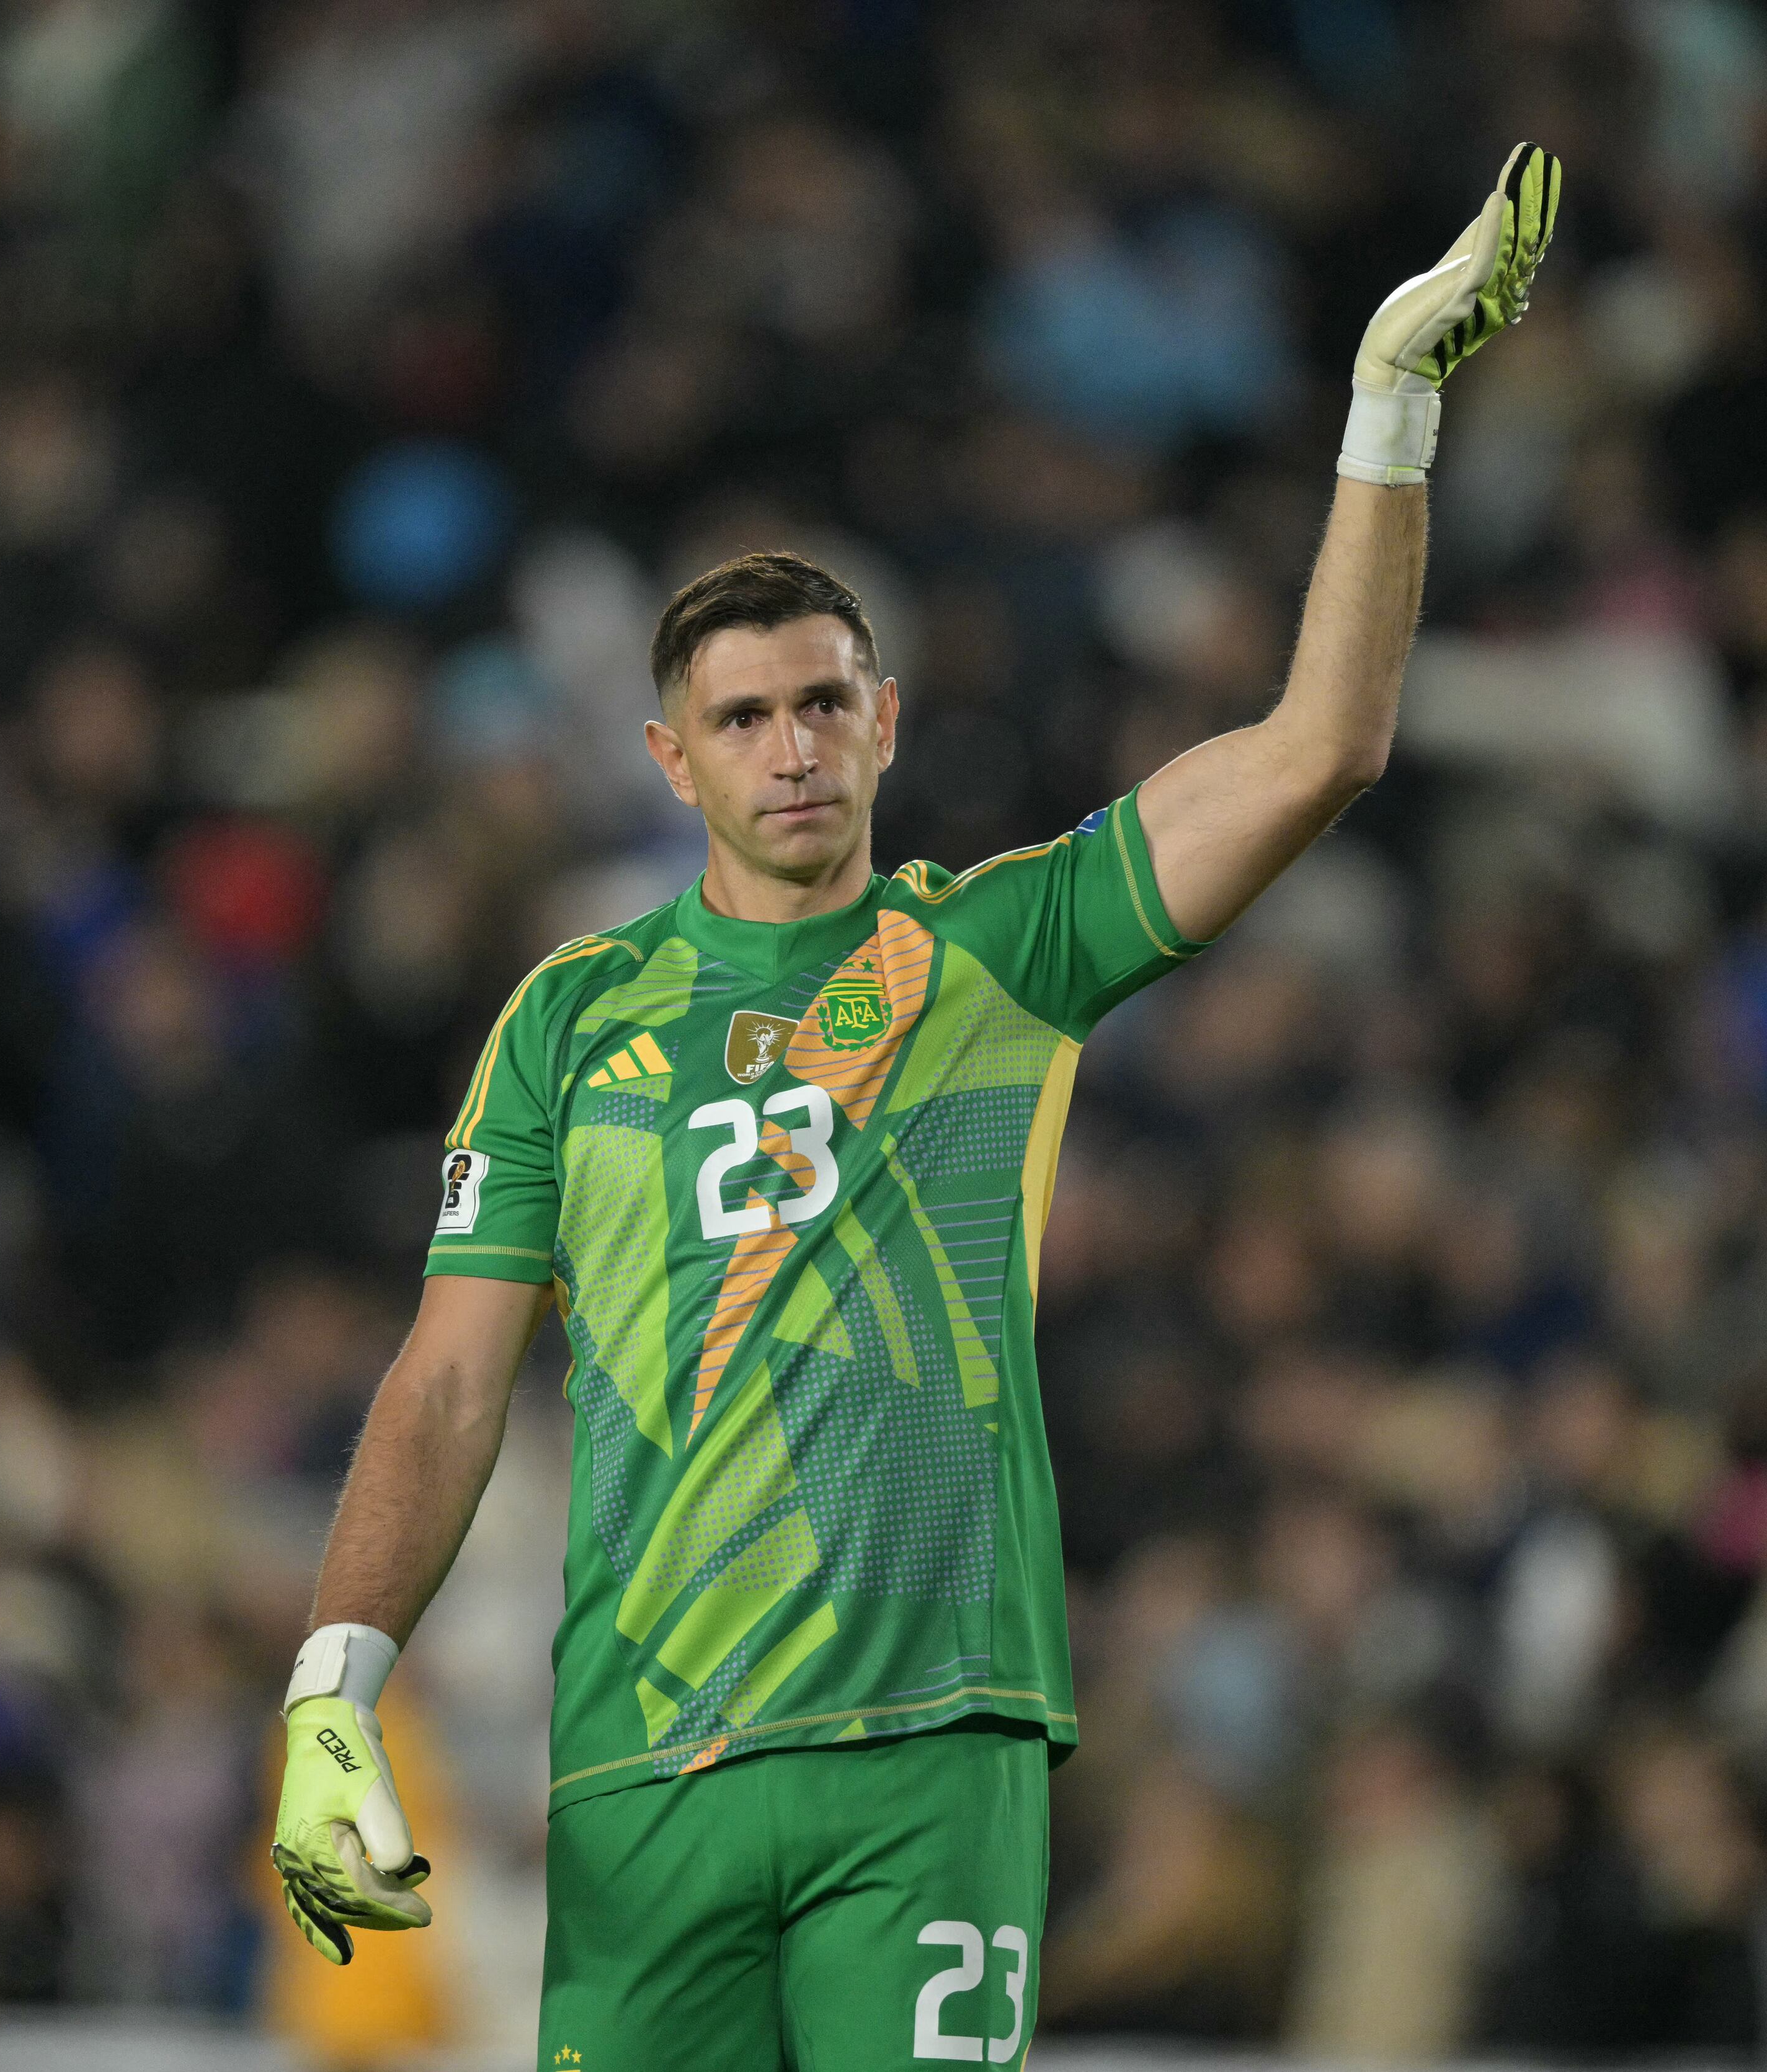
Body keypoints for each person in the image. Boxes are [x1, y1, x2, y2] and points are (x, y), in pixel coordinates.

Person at [262, 144, 1563, 2065]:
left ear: (888, 721)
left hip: (930, 1751)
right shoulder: (566, 1020)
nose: (789, 748)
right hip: (646, 1762)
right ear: (668, 762)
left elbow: (1322, 748)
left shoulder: (1002, 954)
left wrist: (1390, 407)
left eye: (822, 704)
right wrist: (331, 1689)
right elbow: (450, 1381)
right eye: (740, 719)